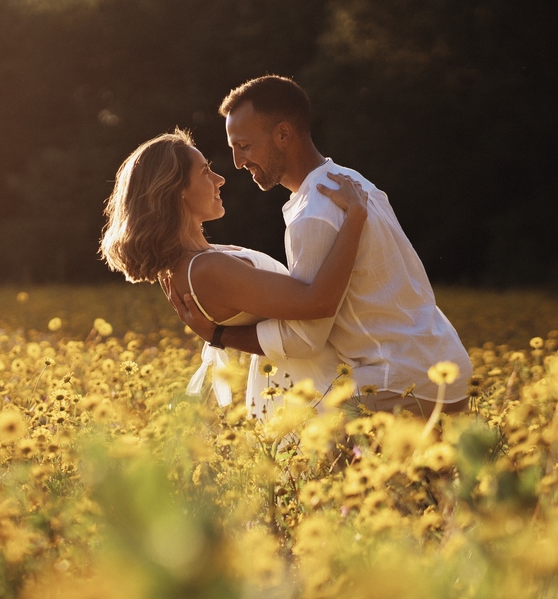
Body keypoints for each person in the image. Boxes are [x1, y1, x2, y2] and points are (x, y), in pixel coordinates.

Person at [165, 75, 473, 416]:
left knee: (296, 452)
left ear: (283, 134)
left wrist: (218, 335)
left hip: (394, 381)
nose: (238, 162)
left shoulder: (315, 212)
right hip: (443, 366)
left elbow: (305, 338)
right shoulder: (353, 182)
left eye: (245, 146)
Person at [99, 128, 369, 416]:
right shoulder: (205, 269)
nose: (220, 179)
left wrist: (217, 334)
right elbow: (318, 302)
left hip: (309, 386)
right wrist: (355, 217)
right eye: (205, 172)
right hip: (310, 398)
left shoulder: (205, 259)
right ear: (177, 190)